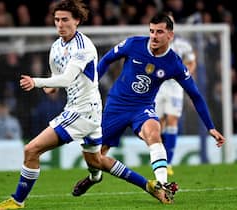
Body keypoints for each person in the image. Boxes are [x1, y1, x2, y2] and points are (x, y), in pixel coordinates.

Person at [0, 1, 174, 209]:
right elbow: (57, 80)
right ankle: (150, 186)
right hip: (88, 110)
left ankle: (17, 201)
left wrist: (37, 82)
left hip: (82, 111)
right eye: (57, 19)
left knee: (31, 150)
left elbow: (67, 79)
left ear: (77, 21)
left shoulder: (83, 47)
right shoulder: (56, 47)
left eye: (65, 19)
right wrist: (48, 86)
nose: (60, 24)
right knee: (97, 161)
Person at [72, 13, 225, 197]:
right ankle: (94, 177)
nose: (154, 35)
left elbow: (196, 95)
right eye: (151, 31)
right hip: (116, 106)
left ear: (170, 35)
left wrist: (210, 127)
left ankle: (163, 186)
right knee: (96, 158)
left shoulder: (174, 63)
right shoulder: (133, 44)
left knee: (154, 133)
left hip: (142, 108)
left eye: (159, 32)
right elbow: (105, 61)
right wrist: (90, 85)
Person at [155, 14, 197, 176]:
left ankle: (168, 163)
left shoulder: (182, 44)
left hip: (174, 88)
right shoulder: (155, 43)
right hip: (158, 86)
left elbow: (192, 61)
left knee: (172, 119)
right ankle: (161, 158)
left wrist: (184, 75)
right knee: (159, 123)